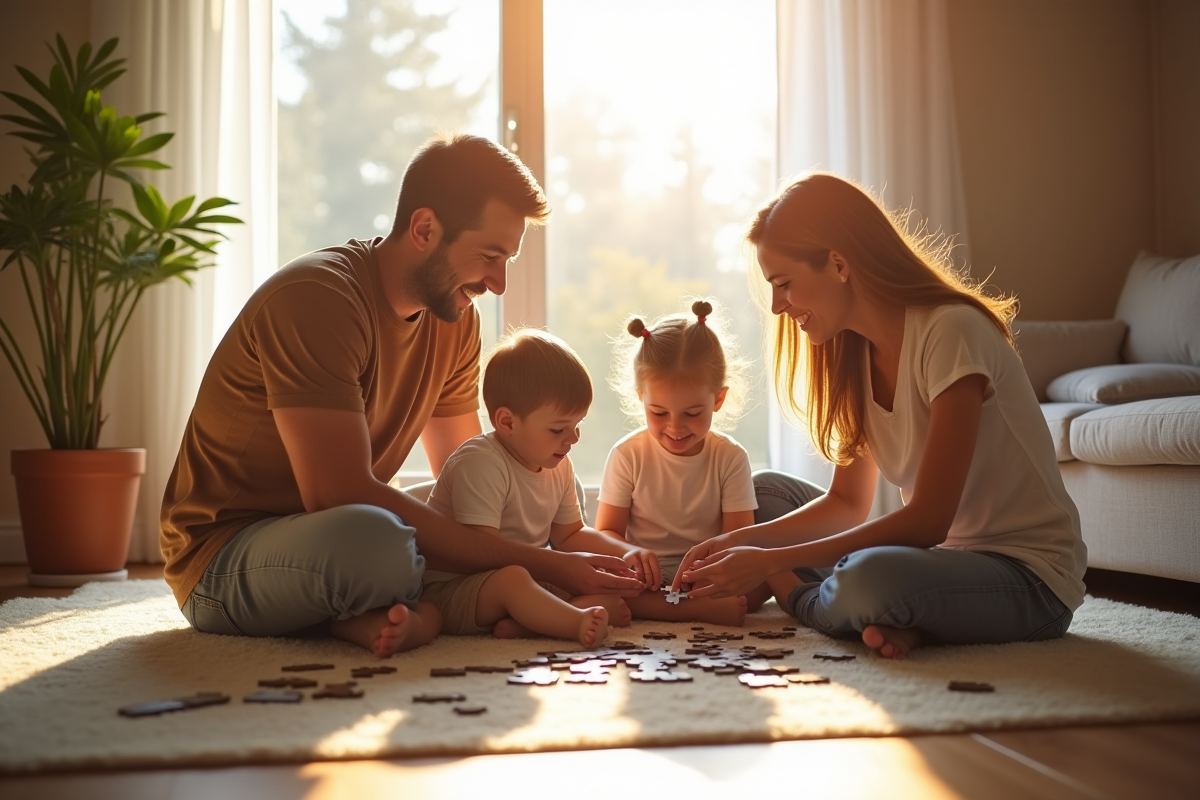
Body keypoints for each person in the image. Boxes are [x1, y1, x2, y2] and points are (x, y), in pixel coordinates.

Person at [160, 133, 640, 659]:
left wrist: (562, 559)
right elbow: (336, 493)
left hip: (335, 532)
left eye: (507, 261)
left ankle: (378, 617)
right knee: (383, 544)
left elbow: (466, 474)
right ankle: (395, 606)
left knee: (419, 524)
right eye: (489, 256)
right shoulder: (318, 299)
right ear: (425, 228)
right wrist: (547, 566)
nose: (499, 284)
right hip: (225, 554)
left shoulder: (455, 321)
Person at [672, 173, 1086, 660]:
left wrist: (771, 561)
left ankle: (814, 602)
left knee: (867, 579)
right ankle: (900, 618)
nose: (778, 306)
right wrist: (735, 541)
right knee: (765, 495)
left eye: (783, 284)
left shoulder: (950, 330)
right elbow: (847, 502)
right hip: (939, 565)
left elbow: (930, 520)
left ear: (838, 264)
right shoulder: (855, 357)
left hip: (1027, 578)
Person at [422, 328, 643, 647]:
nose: (573, 438)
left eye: (577, 425)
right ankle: (572, 620)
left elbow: (569, 536)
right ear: (507, 423)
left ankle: (529, 623)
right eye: (558, 428)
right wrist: (558, 570)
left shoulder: (558, 463)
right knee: (514, 580)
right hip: (455, 590)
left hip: (524, 576)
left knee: (600, 578)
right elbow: (481, 555)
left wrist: (625, 552)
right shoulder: (482, 463)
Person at [594, 300, 769, 628]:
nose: (675, 427)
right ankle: (692, 610)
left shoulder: (730, 457)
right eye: (659, 413)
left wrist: (708, 573)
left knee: (764, 579)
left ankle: (679, 605)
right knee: (600, 574)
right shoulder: (627, 454)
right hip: (646, 574)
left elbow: (738, 537)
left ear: (718, 399)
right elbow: (606, 531)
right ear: (640, 398)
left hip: (705, 571)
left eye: (692, 413)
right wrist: (631, 553)